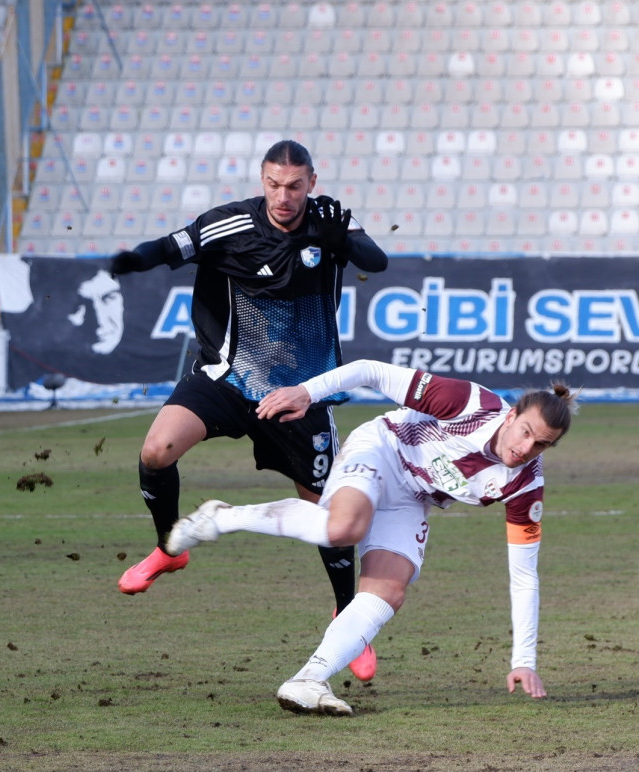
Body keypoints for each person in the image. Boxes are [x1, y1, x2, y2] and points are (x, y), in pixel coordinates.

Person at [110, 140, 389, 680]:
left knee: (331, 516)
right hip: (226, 377)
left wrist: (342, 243)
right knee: (156, 449)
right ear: (262, 180)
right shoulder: (230, 225)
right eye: (273, 184)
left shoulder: (330, 221)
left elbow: (376, 261)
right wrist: (130, 261)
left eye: (294, 185)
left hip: (300, 393)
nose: (283, 196)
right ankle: (169, 546)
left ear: (312, 181)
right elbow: (169, 247)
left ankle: (346, 617)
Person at [166, 359, 575, 716]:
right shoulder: (469, 403)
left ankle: (309, 679)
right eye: (525, 432)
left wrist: (524, 660)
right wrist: (306, 392)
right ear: (511, 416)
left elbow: (524, 575)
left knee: (390, 590)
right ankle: (223, 517)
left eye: (542, 444)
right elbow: (370, 371)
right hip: (382, 448)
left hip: (411, 497)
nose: (527, 448)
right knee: (344, 528)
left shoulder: (524, 486)